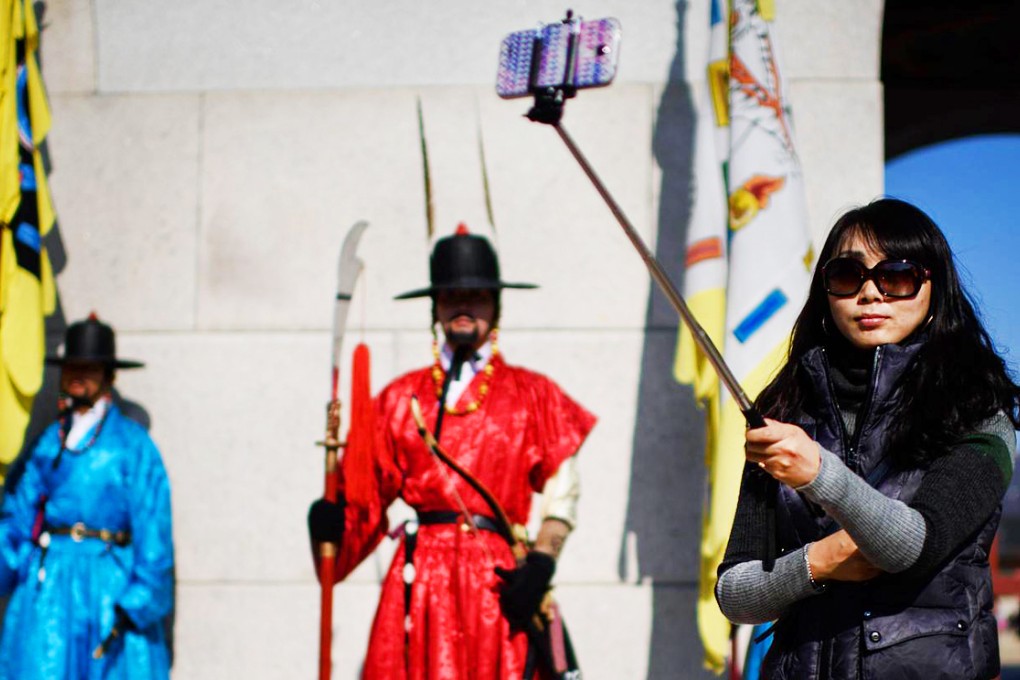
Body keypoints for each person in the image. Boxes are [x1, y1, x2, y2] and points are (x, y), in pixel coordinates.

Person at [715, 198, 1020, 679]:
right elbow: (734, 593)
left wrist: (818, 473)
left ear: (933, 289)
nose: (871, 293)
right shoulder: (786, 410)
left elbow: (915, 546)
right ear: (825, 291)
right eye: (847, 275)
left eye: (896, 276)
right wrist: (819, 561)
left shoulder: (980, 413)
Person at [307, 226, 596, 679]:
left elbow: (564, 492)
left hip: (499, 584)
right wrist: (331, 522)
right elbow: (362, 501)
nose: (464, 306)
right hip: (420, 584)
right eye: (451, 296)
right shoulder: (399, 399)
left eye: (477, 296)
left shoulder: (533, 394)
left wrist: (541, 561)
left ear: (496, 307)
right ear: (435, 307)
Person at [0, 314, 174, 679]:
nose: (78, 376)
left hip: (109, 586)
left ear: (108, 376)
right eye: (72, 367)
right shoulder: (47, 444)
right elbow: (15, 518)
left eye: (90, 368)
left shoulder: (134, 447)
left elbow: (153, 529)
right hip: (48, 590)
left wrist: (137, 601)